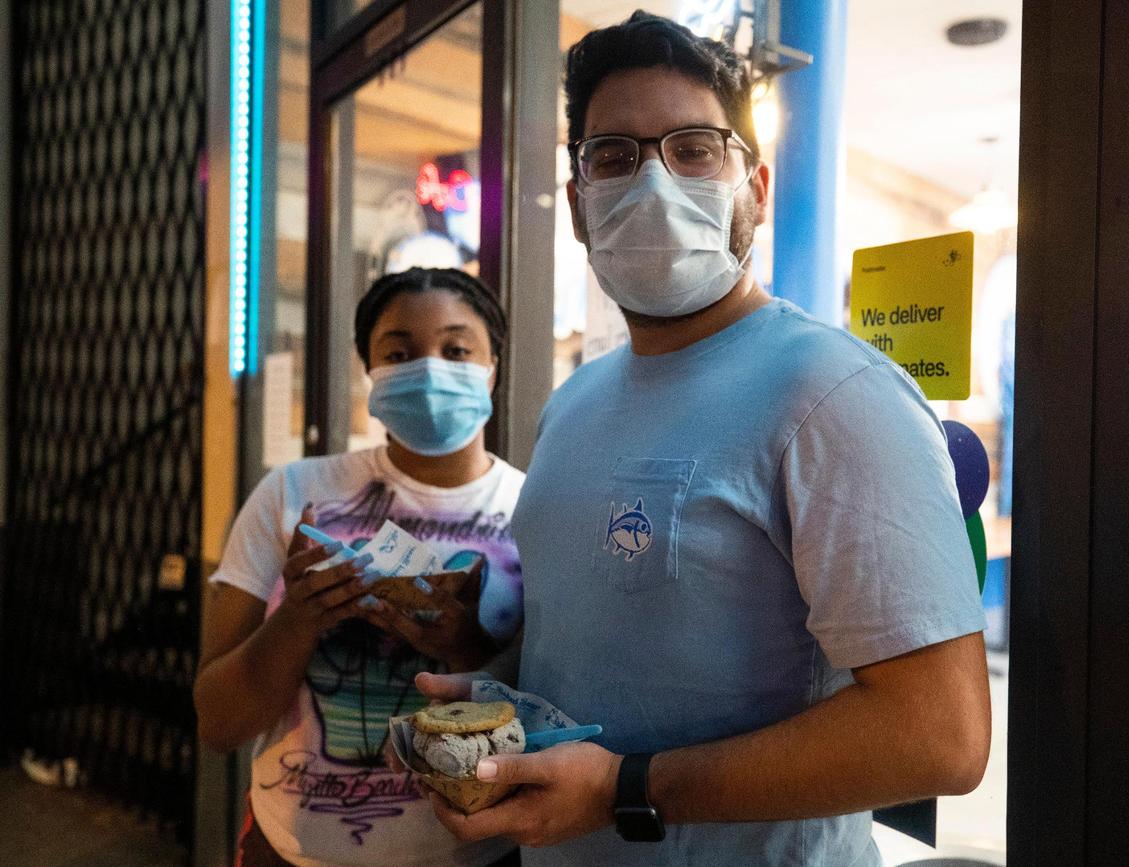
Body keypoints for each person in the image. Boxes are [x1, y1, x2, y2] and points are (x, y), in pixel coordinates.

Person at [417, 12, 990, 865]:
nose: (654, 183)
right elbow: (605, 647)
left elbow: (938, 734)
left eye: (693, 149)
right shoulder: (571, 405)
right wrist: (487, 673)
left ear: (754, 189)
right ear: (578, 206)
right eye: (614, 156)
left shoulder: (835, 395)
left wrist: (628, 787)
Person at [194, 267, 525, 866]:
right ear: (369, 370)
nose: (428, 370)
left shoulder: (534, 510)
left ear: (493, 366)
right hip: (292, 851)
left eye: (456, 349)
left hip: (477, 852)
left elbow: (559, 709)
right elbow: (218, 722)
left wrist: (468, 651)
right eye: (398, 352)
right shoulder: (292, 495)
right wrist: (299, 619)